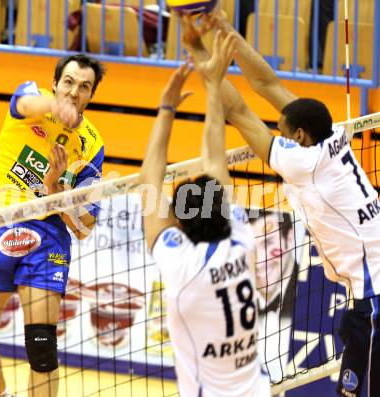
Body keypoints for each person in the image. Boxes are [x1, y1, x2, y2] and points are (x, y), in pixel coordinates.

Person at [182, 11, 380, 397]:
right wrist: (223, 26)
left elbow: (237, 111)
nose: (278, 133)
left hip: (373, 299)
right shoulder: (332, 135)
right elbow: (267, 82)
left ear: (300, 136)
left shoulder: (300, 162)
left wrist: (195, 48)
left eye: (283, 132)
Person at [0, 54, 105, 397]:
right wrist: (54, 105)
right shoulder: (31, 97)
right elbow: (25, 103)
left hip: (47, 237)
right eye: (68, 82)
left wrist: (55, 189)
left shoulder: (92, 144)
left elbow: (84, 227)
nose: (74, 91)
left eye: (84, 87)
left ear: (92, 95)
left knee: (41, 349)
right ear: (54, 83)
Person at [138, 32, 270, 397]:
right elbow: (215, 156)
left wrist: (167, 108)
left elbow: (150, 177)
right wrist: (212, 82)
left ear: (180, 222)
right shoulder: (240, 238)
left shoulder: (183, 266)